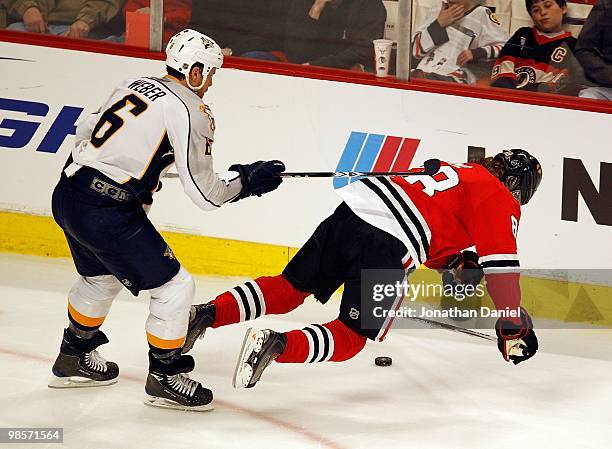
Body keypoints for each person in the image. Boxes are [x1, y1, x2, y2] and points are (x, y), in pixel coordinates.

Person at [48, 29, 285, 411]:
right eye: (209, 73)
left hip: (69, 191)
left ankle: (73, 356)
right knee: (176, 289)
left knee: (99, 278)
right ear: (192, 71)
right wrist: (247, 182)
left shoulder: (135, 82)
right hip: (108, 211)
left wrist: (134, 171)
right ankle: (165, 376)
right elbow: (206, 194)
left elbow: (88, 130)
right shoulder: (191, 109)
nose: (209, 82)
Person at [184, 149, 542, 390]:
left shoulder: (458, 172)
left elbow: (427, 216)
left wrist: (448, 263)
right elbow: (502, 268)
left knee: (289, 288)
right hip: (388, 245)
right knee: (351, 336)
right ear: (517, 186)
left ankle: (205, 314)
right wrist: (512, 324)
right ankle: (276, 345)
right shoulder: (499, 196)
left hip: (353, 213)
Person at [490, 0, 585, 95]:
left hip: (540, 100)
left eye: (548, 6)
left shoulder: (572, 45)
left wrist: (538, 90)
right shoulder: (523, 34)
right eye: (536, 10)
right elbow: (504, 60)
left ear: (563, 9)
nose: (542, 13)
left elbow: (563, 78)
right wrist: (508, 86)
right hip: (506, 94)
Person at [411, 0, 508, 84]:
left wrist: (477, 53)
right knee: (407, 76)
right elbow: (415, 51)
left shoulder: (482, 14)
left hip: (455, 79)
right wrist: (439, 23)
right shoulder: (437, 9)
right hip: (422, 73)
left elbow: (506, 47)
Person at [283, 0, 387, 70]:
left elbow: (364, 50)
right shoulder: (304, 3)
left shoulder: (369, 4)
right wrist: (316, 9)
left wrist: (317, 65)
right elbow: (294, 52)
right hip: (308, 73)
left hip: (346, 75)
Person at [7, 0, 123, 39]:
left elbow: (105, 3)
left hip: (84, 29)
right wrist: (27, 8)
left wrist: (85, 20)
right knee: (12, 33)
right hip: (28, 26)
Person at [575, 0, 612, 101]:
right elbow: (584, 50)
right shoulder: (605, 6)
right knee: (587, 98)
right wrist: (609, 74)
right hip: (609, 88)